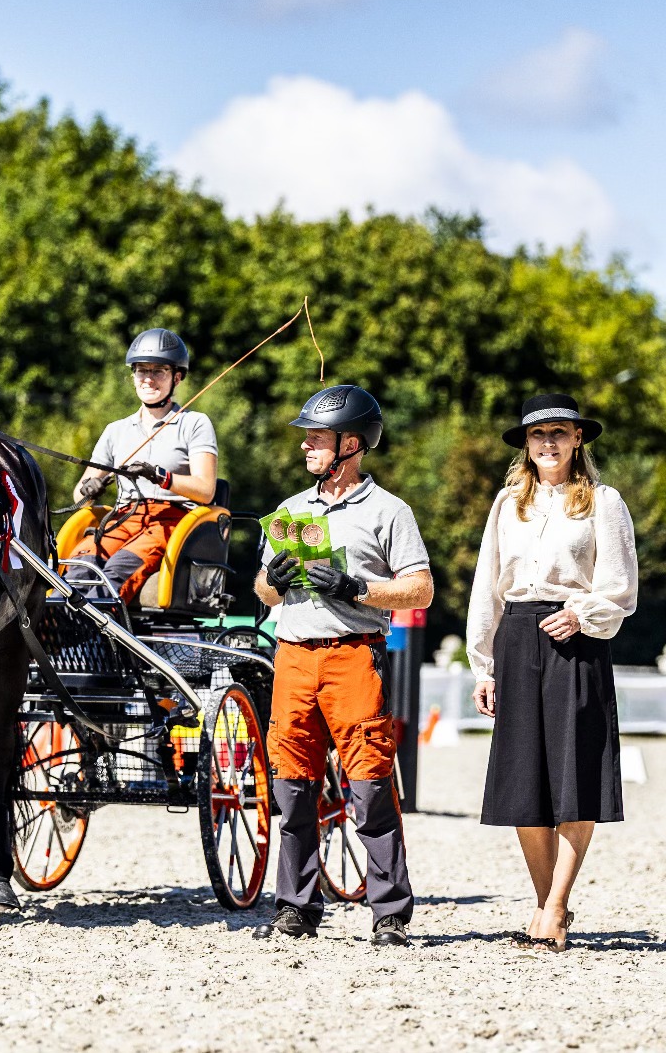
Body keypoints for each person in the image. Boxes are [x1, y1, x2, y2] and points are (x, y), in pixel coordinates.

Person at [251, 385, 433, 948]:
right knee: (291, 789)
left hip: (354, 657)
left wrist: (357, 588)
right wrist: (272, 582)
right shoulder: (290, 511)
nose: (305, 445)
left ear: (350, 444)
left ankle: (390, 913)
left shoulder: (390, 511)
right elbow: (264, 592)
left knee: (371, 785)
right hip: (293, 656)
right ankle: (295, 907)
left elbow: (420, 589)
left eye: (317, 437)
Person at [466, 394, 637, 952]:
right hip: (516, 638)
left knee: (574, 776)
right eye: (538, 434)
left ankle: (557, 907)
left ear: (577, 438)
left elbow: (620, 586)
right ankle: (544, 903)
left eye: (559, 432)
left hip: (576, 639)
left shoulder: (604, 502)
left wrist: (582, 613)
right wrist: (483, 665)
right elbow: (487, 586)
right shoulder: (507, 503)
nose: (548, 442)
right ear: (526, 442)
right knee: (524, 780)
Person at [71, 328, 218, 603]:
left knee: (116, 573)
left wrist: (160, 476)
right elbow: (79, 494)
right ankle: (58, 628)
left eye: (158, 371)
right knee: (78, 570)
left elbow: (206, 490)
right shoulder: (115, 430)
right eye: (141, 371)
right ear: (133, 377)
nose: (148, 379)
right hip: (122, 518)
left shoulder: (194, 423)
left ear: (177, 377)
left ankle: (98, 629)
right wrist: (90, 488)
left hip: (170, 520)